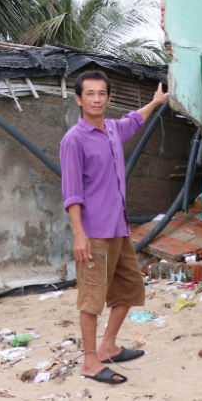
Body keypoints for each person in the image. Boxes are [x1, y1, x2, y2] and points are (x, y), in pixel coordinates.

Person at [60, 69, 168, 385]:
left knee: (130, 287)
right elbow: (72, 193)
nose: (96, 99)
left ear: (108, 98)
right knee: (91, 299)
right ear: (79, 99)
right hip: (92, 231)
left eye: (102, 93)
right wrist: (79, 234)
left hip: (118, 227)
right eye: (90, 94)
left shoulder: (110, 130)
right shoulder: (74, 140)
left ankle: (108, 346)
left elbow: (133, 120)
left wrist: (155, 102)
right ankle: (90, 363)